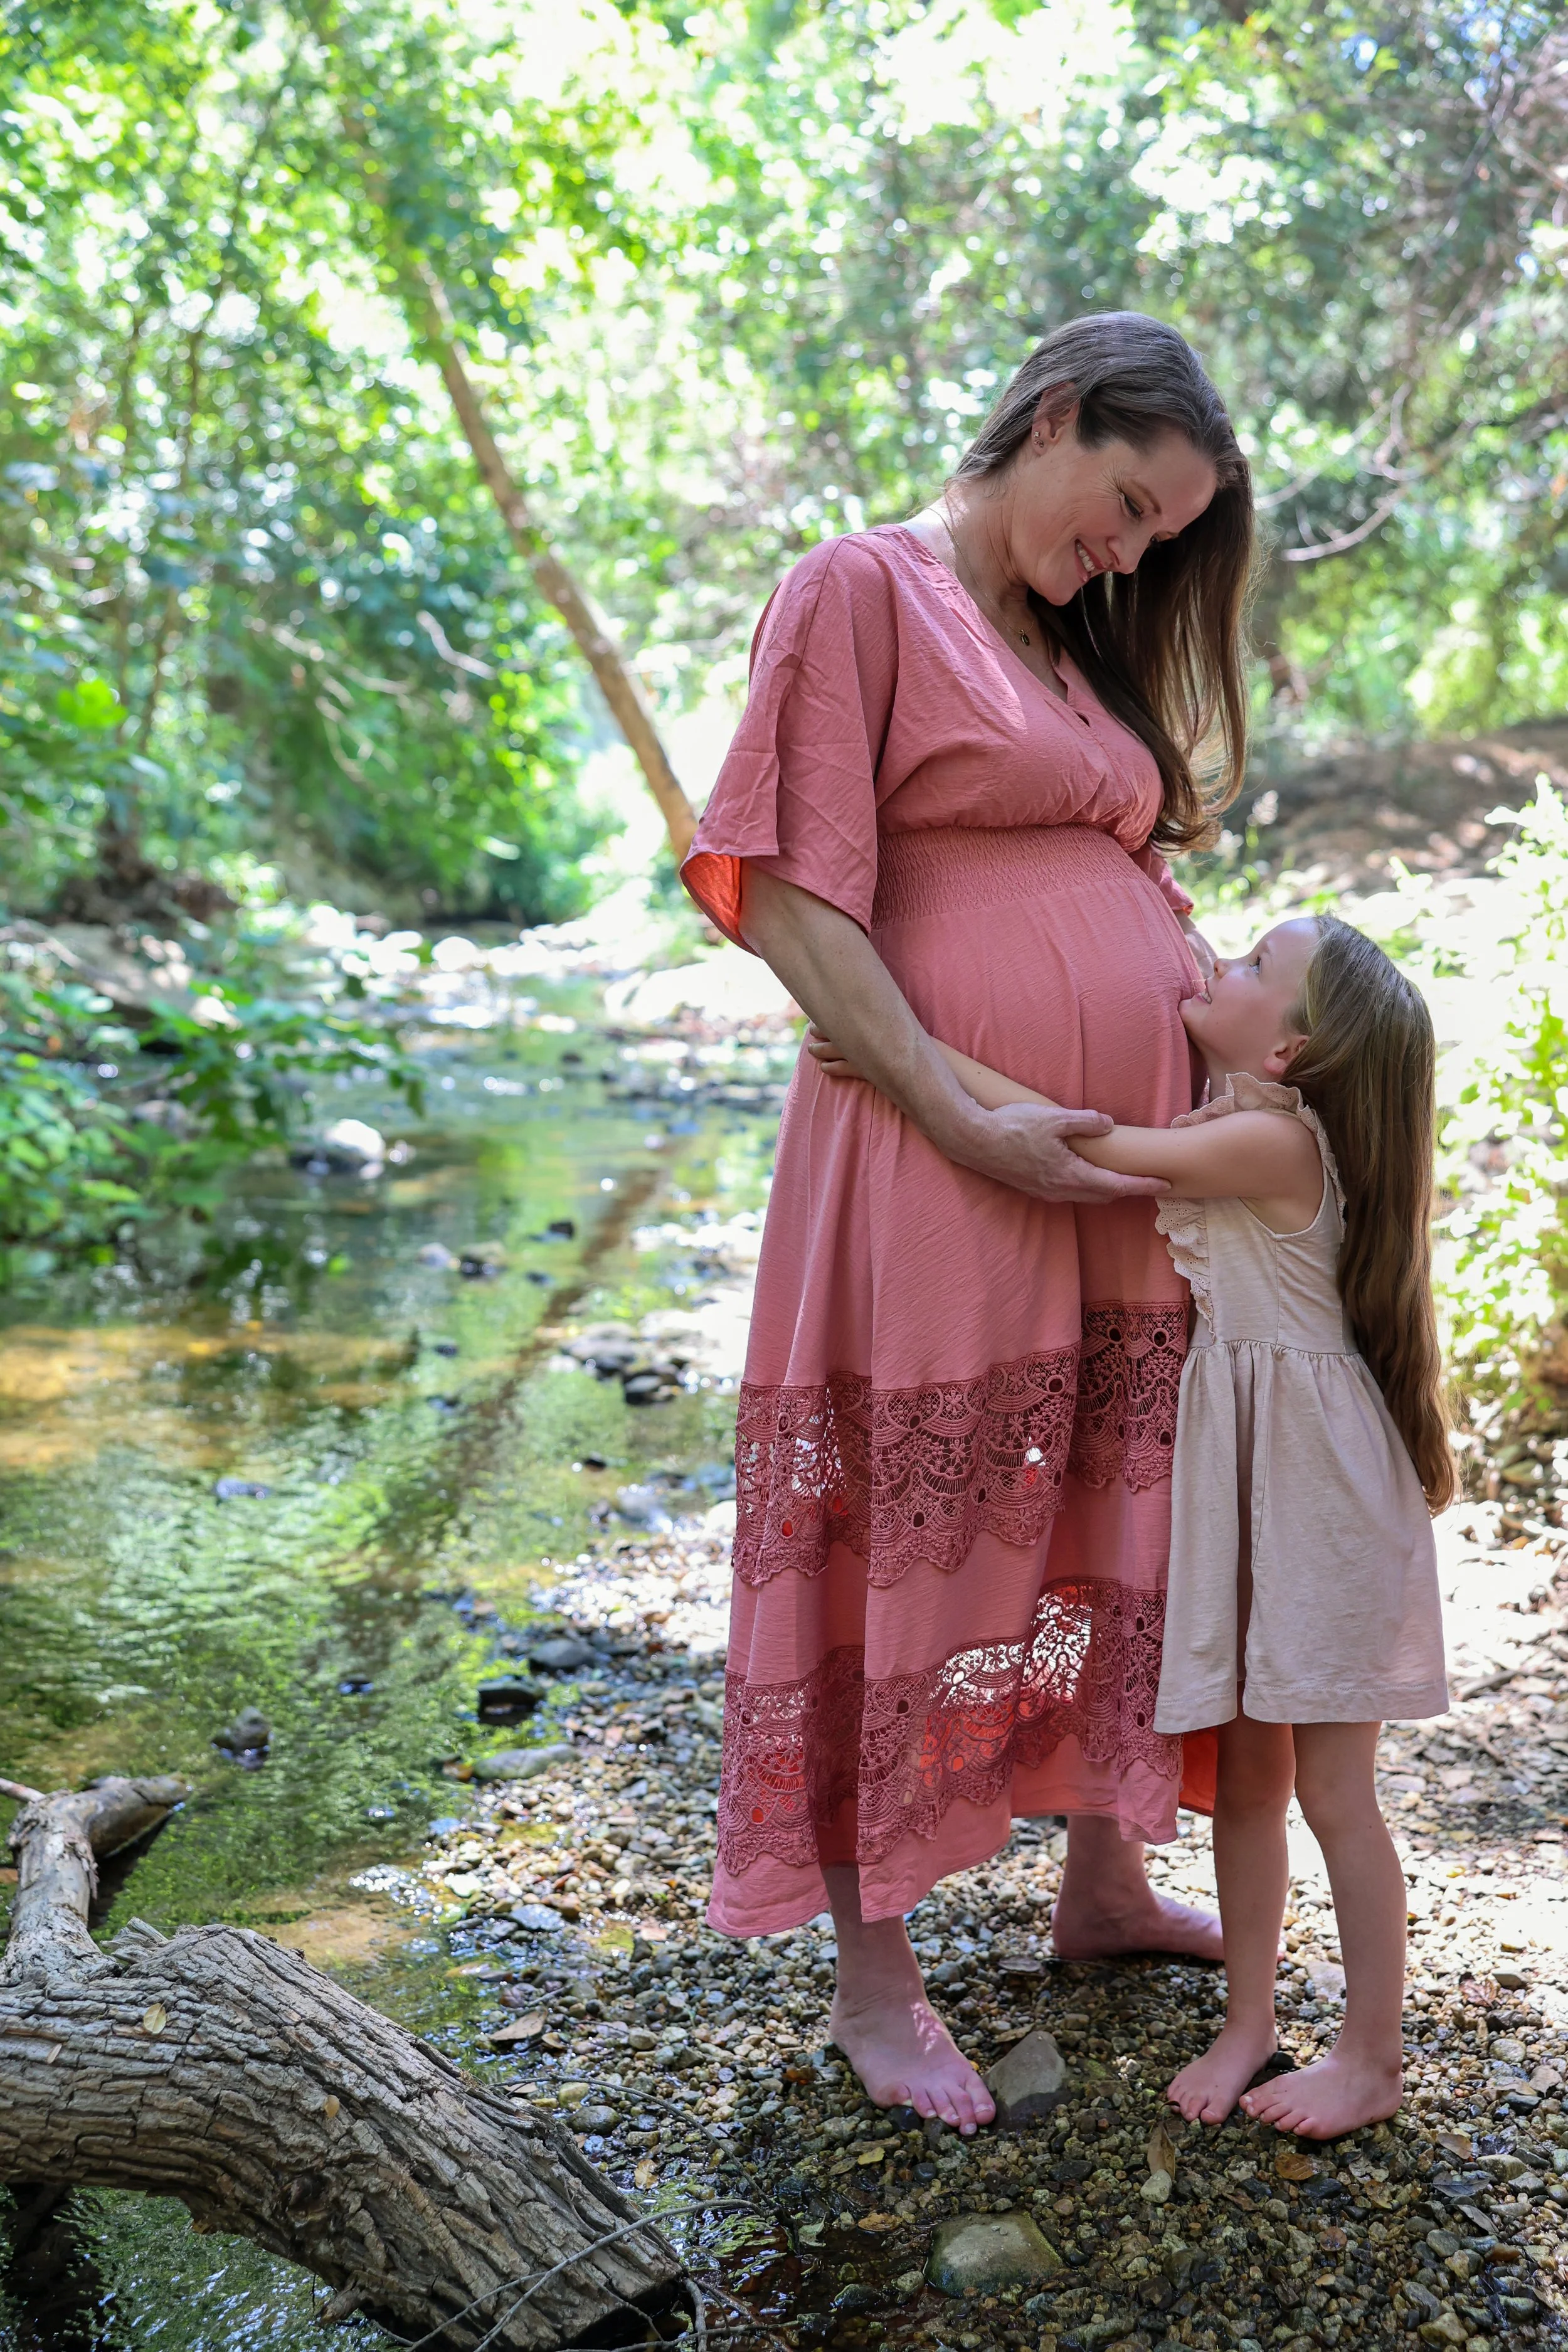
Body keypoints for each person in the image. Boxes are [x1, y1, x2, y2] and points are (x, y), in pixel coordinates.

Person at [680, 312, 1254, 2132]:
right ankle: (874, 1974)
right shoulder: (860, 590)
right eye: (1126, 502)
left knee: (1105, 1485)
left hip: (1114, 1174)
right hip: (939, 1156)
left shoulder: (1069, 662)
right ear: (1059, 413)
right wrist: (959, 1103)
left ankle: (1096, 1876)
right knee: (915, 1534)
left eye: (1160, 538)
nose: (1130, 551)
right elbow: (784, 892)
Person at [813, 913, 1451, 2138]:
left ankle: (1370, 2057)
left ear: (1291, 1054)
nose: (1217, 968)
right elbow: (1109, 1134)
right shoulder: (1243, 1122)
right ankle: (1249, 2026)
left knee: (1332, 1792)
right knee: (1250, 1781)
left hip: (1315, 1500)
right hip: (1259, 1487)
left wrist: (905, 1056)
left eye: (1251, 968)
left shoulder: (1269, 1141)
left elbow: (1094, 1148)